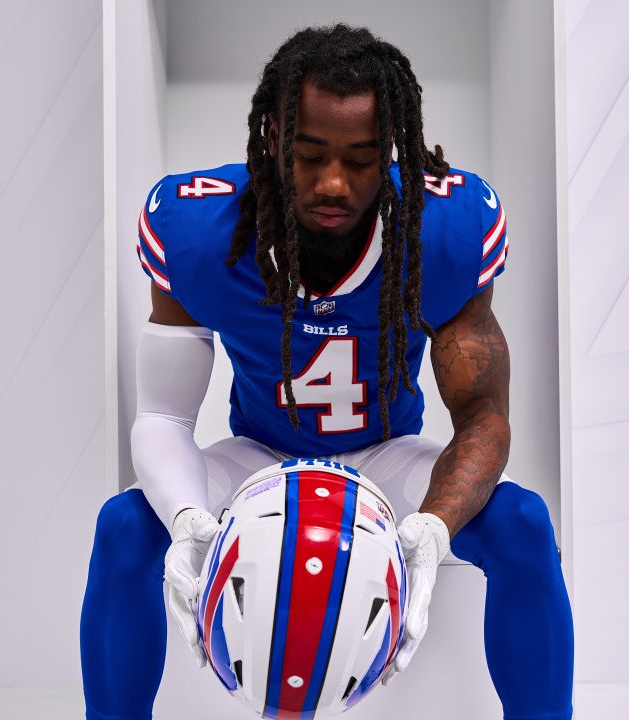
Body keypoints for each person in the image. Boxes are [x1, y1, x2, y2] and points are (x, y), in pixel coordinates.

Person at [81, 24, 573, 720]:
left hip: (386, 456)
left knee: (523, 523)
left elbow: (483, 418)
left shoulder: (444, 231)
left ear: (393, 152)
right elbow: (164, 417)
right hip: (258, 458)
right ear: (273, 138)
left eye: (361, 159)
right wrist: (189, 520)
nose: (333, 182)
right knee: (124, 529)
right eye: (309, 155)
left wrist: (432, 528)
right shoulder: (202, 230)